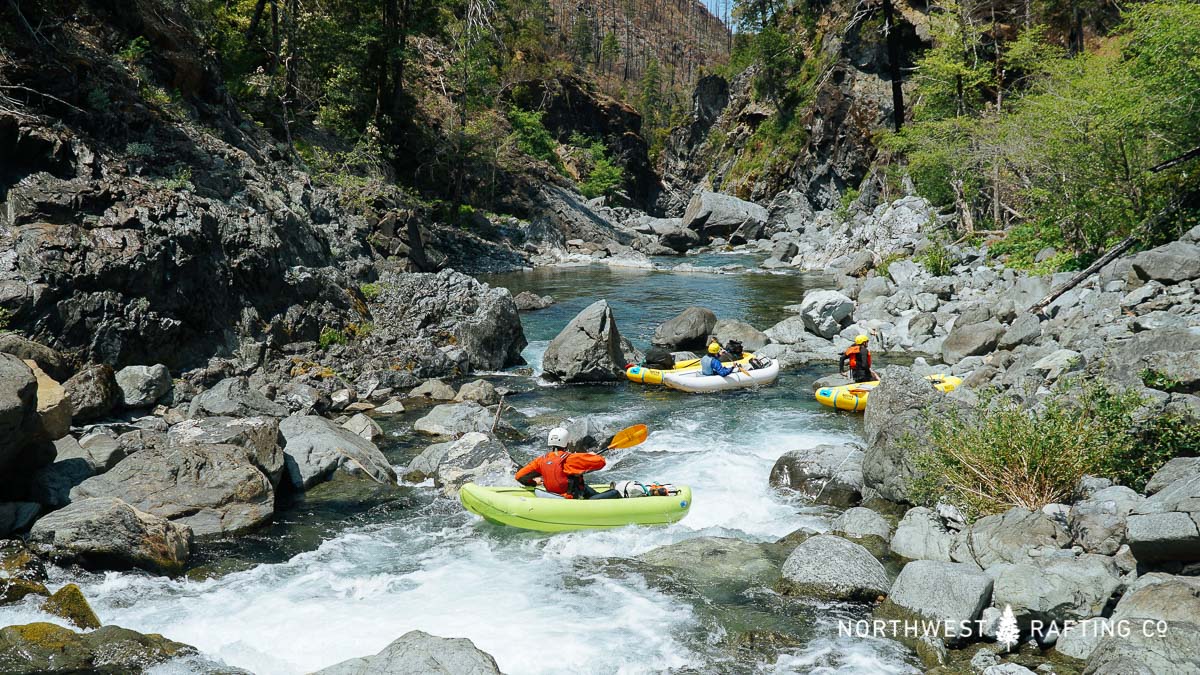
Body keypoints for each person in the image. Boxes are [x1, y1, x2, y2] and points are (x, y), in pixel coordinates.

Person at [515, 428, 621, 499]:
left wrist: (533, 483)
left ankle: (601, 495)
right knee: (615, 493)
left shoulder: (540, 460)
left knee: (584, 487)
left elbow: (520, 477)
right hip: (570, 499)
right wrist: (592, 456)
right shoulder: (570, 458)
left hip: (554, 496)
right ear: (566, 442)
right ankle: (614, 495)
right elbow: (601, 462)